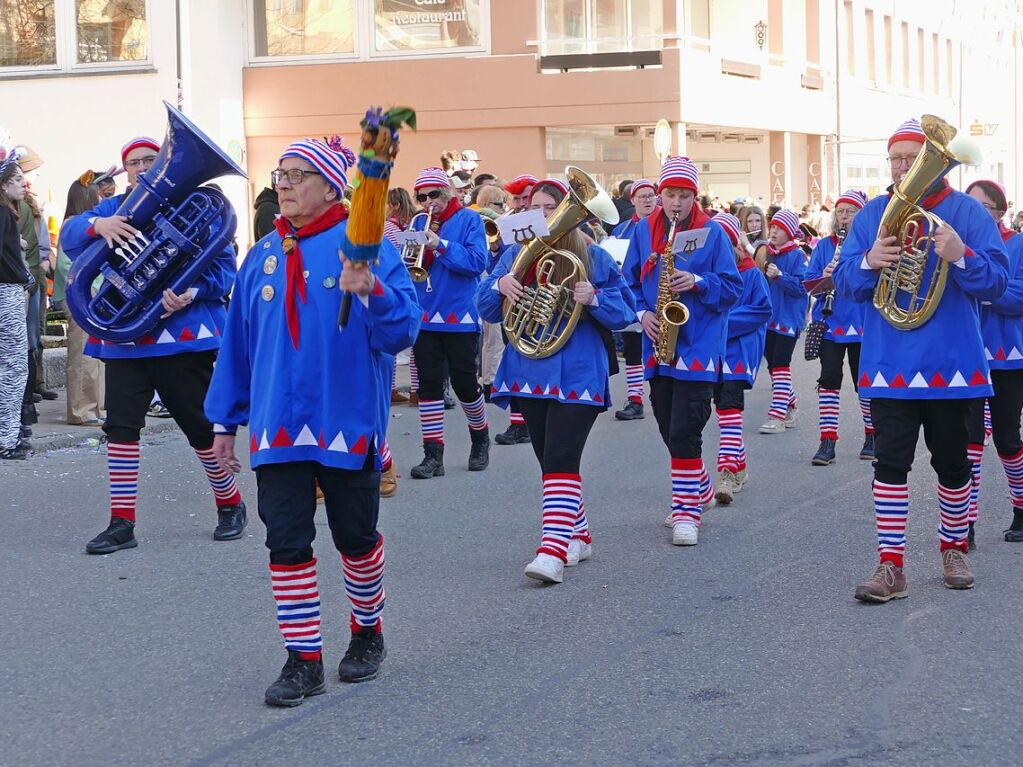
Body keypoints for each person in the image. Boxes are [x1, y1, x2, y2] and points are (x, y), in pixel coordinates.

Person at [205, 137, 420, 705]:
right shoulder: (261, 256)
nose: (283, 184)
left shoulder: (365, 246)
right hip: (278, 423)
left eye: (297, 175)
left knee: (355, 537)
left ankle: (366, 631)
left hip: (346, 419)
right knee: (286, 542)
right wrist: (224, 421)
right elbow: (238, 345)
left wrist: (373, 289)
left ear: (330, 186)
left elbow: (401, 333)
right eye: (280, 174)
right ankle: (303, 658)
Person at [833, 118, 1009, 601]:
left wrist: (961, 254)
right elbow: (846, 283)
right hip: (890, 364)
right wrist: (870, 260)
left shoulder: (968, 212)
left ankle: (953, 547)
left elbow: (996, 283)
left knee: (954, 465)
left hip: (954, 364)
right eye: (897, 159)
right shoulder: (873, 214)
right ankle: (891, 565)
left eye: (914, 157)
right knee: (889, 465)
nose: (904, 167)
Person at [60, 135, 247, 554]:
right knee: (121, 429)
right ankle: (121, 523)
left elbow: (225, 273)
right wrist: (98, 226)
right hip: (127, 337)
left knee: (199, 428)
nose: (143, 168)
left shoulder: (194, 204)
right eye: (134, 163)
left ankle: (230, 504)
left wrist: (193, 291)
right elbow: (70, 234)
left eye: (150, 159)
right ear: (124, 170)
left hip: (182, 338)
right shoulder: (114, 207)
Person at [478, 179, 635, 582]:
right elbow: (485, 309)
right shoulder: (515, 254)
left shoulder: (595, 257)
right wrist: (500, 286)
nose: (545, 215)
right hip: (528, 371)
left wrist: (594, 297)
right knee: (550, 461)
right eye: (538, 207)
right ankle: (577, 533)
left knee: (562, 457)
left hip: (578, 372)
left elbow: (624, 314)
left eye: (553, 207)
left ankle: (551, 549)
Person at [622, 156, 742, 546]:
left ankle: (686, 512)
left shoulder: (713, 232)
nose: (675, 203)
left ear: (695, 197)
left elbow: (733, 287)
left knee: (686, 429)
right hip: (658, 341)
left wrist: (698, 281)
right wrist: (641, 314)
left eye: (683, 196)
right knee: (666, 427)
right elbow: (627, 282)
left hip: (700, 344)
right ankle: (699, 488)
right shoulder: (643, 230)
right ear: (660, 195)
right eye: (670, 195)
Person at [406, 168, 490, 478]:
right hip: (425, 316)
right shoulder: (417, 222)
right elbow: (407, 264)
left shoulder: (469, 219)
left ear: (448, 193)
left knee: (465, 385)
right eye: (422, 196)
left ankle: (480, 438)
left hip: (459, 316)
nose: (428, 202)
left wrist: (439, 246)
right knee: (428, 386)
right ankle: (433, 455)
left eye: (434, 195)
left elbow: (476, 262)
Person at [963, 179, 1023, 545]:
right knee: (967, 440)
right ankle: (964, 522)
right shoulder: (957, 247)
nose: (972, 214)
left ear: (999, 212)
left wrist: (983, 292)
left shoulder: (1017, 244)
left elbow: (1018, 295)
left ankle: (1020, 507)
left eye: (981, 207)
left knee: (1006, 438)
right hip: (966, 355)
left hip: (1008, 358)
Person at [803, 190, 873, 465]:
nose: (844, 217)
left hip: (860, 324)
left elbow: (870, 283)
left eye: (851, 212)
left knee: (863, 383)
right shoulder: (823, 246)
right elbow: (808, 284)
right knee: (829, 380)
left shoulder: (867, 245)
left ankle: (872, 436)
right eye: (841, 212)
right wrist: (825, 277)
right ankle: (827, 440)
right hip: (829, 323)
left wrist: (846, 275)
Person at [706, 212, 771, 504]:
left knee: (729, 409)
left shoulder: (751, 273)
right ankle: (740, 467)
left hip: (738, 351)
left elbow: (761, 310)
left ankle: (727, 472)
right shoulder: (707, 275)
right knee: (723, 412)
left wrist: (721, 324)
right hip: (710, 353)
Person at [55, 172, 106, 425]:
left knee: (94, 354)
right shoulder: (74, 225)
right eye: (96, 194)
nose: (100, 198)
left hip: (91, 295)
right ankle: (80, 411)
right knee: (83, 355)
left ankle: (93, 408)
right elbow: (67, 267)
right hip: (83, 297)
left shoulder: (78, 223)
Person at [757, 208, 808, 434]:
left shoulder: (797, 255)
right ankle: (791, 404)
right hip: (770, 318)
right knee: (772, 364)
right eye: (773, 227)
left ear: (789, 232)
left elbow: (802, 288)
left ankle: (776, 415)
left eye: (779, 228)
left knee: (780, 363)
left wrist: (779, 276)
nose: (774, 231)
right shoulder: (768, 253)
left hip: (789, 319)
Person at [611, 178, 657, 421]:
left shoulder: (664, 225)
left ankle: (662, 395)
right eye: (642, 196)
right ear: (633, 200)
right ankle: (635, 398)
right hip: (631, 295)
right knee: (631, 349)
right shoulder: (622, 229)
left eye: (651, 195)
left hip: (657, 295)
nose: (647, 200)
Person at [0, 153, 30, 459]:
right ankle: (7, 439)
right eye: (18, 181)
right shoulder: (4, 215)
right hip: (5, 293)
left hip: (8, 290)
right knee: (14, 367)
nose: (24, 185)